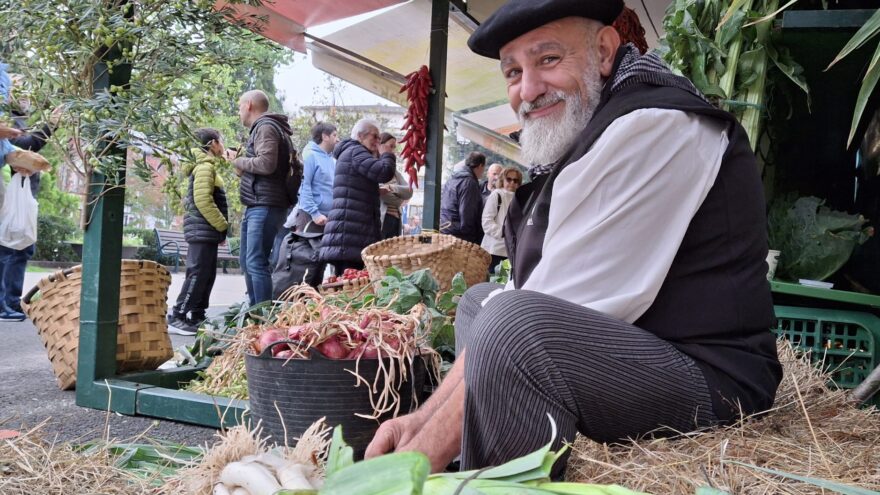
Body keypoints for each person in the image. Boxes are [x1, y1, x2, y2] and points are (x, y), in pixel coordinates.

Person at [365, 0, 781, 479]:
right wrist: (420, 419)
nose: (529, 90)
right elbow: (521, 294)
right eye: (513, 72)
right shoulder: (594, 133)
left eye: (548, 60)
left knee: (511, 327)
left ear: (604, 51)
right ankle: (478, 472)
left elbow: (530, 314)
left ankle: (479, 485)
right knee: (480, 303)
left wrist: (411, 467)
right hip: (648, 347)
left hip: (715, 382)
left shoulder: (653, 125)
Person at [0, 73, 60, 322]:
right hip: (17, 193)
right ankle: (7, 303)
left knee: (20, 248)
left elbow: (16, 147)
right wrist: (51, 125)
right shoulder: (9, 117)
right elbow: (26, 142)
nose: (24, 95)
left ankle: (10, 302)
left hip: (23, 191)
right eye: (18, 89)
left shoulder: (17, 118)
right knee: (12, 248)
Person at [232, 90, 294, 305]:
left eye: (240, 106)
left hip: (265, 204)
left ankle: (261, 317)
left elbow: (266, 164)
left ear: (249, 105)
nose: (239, 112)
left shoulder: (266, 127)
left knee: (256, 262)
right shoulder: (269, 128)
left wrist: (239, 161)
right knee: (249, 261)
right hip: (259, 202)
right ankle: (255, 312)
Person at [167, 128, 229, 335]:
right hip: (203, 230)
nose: (223, 146)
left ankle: (196, 315)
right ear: (212, 143)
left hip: (206, 231)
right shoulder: (204, 167)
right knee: (197, 273)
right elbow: (203, 201)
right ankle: (177, 316)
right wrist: (222, 225)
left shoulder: (207, 166)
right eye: (221, 141)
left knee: (206, 274)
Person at [319, 119, 397, 275]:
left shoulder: (353, 152)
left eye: (379, 139)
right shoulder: (356, 151)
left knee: (349, 285)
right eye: (375, 137)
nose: (378, 142)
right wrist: (387, 153)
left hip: (350, 235)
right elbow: (384, 172)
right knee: (350, 286)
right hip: (350, 237)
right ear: (360, 136)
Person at [294, 122, 338, 232]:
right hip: (311, 217)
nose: (337, 139)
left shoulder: (331, 159)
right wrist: (315, 214)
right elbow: (304, 186)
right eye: (335, 135)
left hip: (327, 218)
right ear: (325, 137)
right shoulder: (310, 156)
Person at [481, 166, 521, 274]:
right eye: (509, 179)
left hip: (510, 252)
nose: (512, 182)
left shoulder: (520, 198)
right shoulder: (497, 195)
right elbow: (486, 222)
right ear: (503, 180)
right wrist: (504, 232)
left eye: (515, 180)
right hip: (493, 250)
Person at [439, 151, 486, 244]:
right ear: (480, 166)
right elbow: (467, 212)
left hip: (447, 228)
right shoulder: (469, 182)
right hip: (460, 235)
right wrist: (473, 239)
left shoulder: (452, 178)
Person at [378, 132, 413, 239]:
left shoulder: (394, 172)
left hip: (397, 220)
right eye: (391, 146)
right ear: (380, 146)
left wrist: (391, 187)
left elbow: (409, 191)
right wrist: (401, 201)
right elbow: (383, 194)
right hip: (383, 219)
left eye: (394, 147)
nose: (393, 151)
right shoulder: (375, 166)